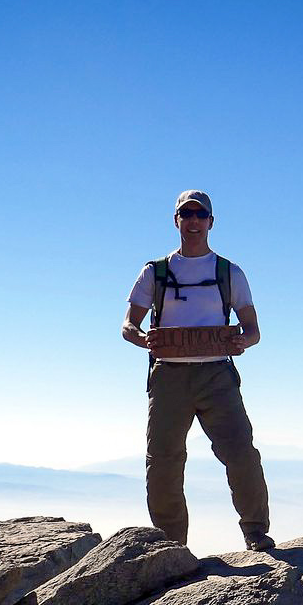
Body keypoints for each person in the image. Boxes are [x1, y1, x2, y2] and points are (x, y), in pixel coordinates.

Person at [122, 190, 274, 552]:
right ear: (176, 220)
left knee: (241, 453)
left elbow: (252, 329)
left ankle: (256, 532)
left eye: (200, 214)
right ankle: (172, 547)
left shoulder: (228, 272)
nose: (193, 221)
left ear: (210, 221)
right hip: (168, 375)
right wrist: (144, 340)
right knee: (163, 461)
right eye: (185, 214)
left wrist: (242, 343)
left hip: (216, 374)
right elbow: (128, 324)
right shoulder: (155, 272)